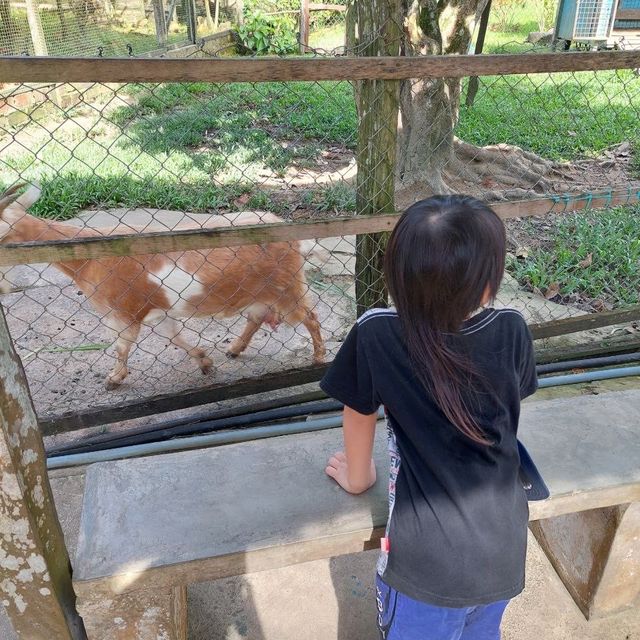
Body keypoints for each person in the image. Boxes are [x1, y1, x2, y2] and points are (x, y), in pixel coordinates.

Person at [320, 195, 538, 640]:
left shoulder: (377, 332)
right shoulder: (512, 327)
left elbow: (359, 412)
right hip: (504, 545)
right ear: (485, 286)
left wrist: (358, 478)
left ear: (398, 275)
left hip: (425, 564)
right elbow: (511, 407)